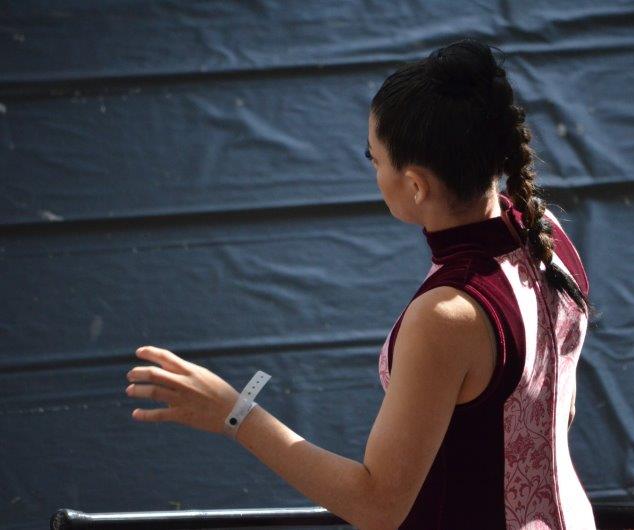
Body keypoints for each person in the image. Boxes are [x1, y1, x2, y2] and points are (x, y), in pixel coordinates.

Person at [124, 38, 598, 530]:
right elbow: (555, 404)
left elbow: (377, 506)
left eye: (374, 158)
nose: (373, 171)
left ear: (416, 185)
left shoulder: (447, 316)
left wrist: (234, 412)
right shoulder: (544, 233)